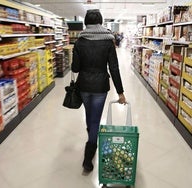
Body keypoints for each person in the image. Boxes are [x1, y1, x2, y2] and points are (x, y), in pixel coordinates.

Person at [71, 9, 126, 172]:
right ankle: (89, 152)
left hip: (84, 86)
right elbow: (114, 68)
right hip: (101, 86)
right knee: (95, 118)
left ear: (86, 22)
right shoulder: (109, 41)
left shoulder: (79, 41)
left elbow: (75, 68)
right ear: (100, 22)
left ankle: (90, 145)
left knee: (90, 116)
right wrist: (120, 92)